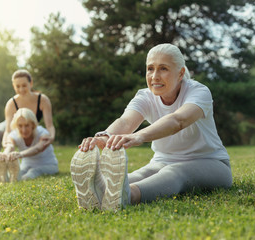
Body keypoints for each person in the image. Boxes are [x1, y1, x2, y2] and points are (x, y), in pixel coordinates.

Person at [70, 43, 233, 211]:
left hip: (211, 162)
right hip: (163, 161)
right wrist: (104, 137)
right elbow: (126, 122)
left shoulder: (199, 92)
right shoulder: (145, 96)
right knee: (139, 175)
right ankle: (100, 189)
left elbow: (178, 120)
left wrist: (138, 136)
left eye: (163, 69)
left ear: (181, 73)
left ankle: (128, 196)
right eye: (150, 69)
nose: (155, 76)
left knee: (175, 173)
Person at [0, 69, 55, 180]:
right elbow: (8, 129)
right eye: (17, 86)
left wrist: (51, 137)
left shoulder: (42, 99)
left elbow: (49, 125)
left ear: (31, 83)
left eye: (24, 85)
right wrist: (7, 146)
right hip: (14, 123)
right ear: (13, 86)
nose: (21, 89)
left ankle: (18, 167)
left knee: (33, 133)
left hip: (32, 123)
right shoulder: (11, 103)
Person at [0, 108, 58, 183]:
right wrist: (4, 154)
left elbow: (38, 148)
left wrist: (20, 154)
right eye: (20, 126)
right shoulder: (14, 134)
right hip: (26, 166)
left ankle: (21, 179)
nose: (23, 130)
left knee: (33, 171)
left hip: (48, 165)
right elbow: (10, 146)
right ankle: (6, 178)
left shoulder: (42, 133)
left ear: (33, 125)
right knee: (18, 171)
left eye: (27, 125)